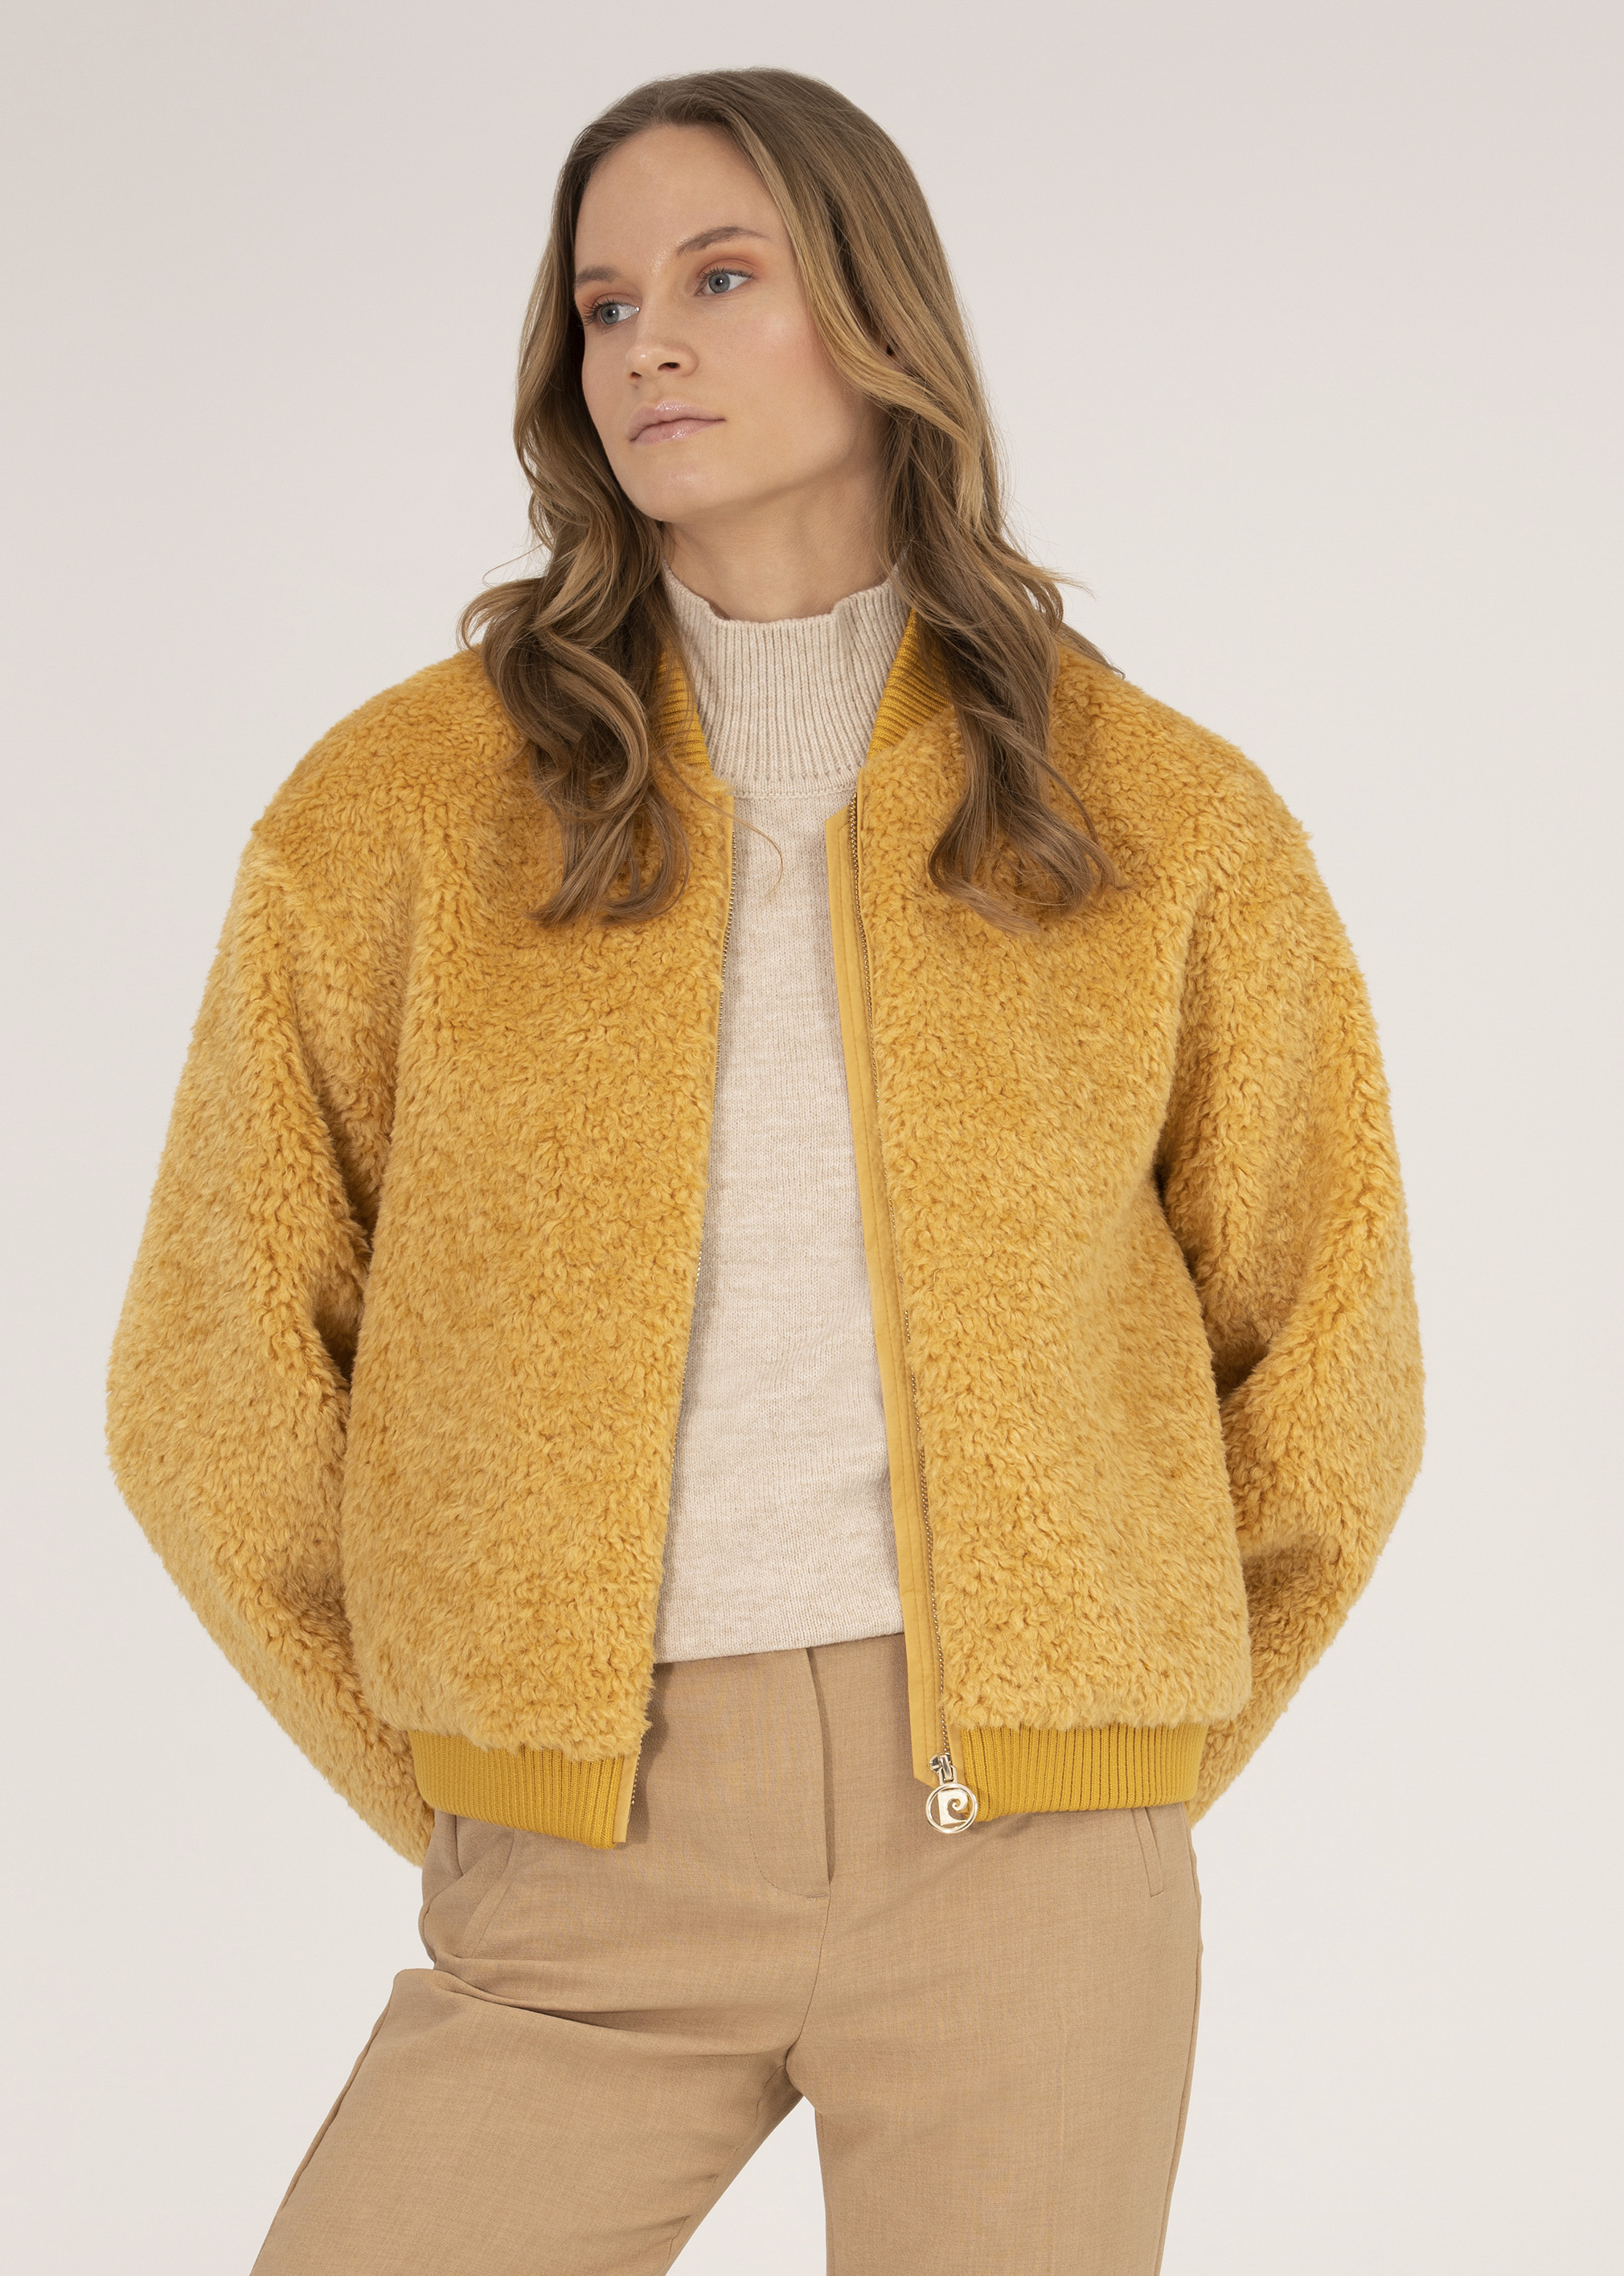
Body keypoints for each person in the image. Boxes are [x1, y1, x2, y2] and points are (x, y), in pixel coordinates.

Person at [107, 65, 1424, 2276]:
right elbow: (206, 1385)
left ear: (877, 313)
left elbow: (1332, 1366)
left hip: (1035, 1874)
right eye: (605, 305)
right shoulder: (398, 812)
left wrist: (1111, 1751)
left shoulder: (1157, 815)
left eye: (721, 278)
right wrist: (479, 1776)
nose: (649, 346)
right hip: (581, 1860)